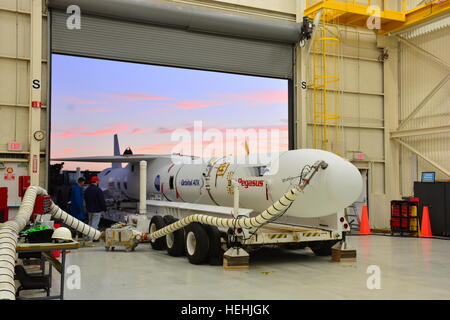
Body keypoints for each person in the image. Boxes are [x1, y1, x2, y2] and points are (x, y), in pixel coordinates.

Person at [84, 176, 106, 241]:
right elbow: (101, 200)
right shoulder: (98, 190)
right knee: (94, 224)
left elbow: (85, 199)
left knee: (90, 223)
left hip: (89, 209)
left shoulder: (87, 189)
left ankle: (88, 237)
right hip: (97, 210)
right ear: (96, 181)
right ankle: (91, 238)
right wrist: (104, 209)